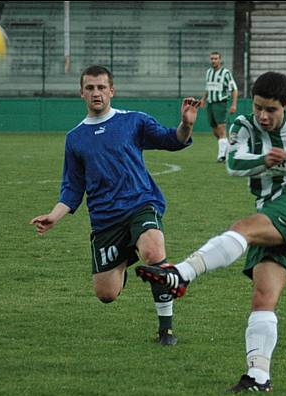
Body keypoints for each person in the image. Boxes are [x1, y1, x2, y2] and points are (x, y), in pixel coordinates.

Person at [137, 71, 286, 389]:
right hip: (271, 213)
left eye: (272, 110)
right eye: (258, 108)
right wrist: (264, 159)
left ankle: (181, 274)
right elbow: (233, 163)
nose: (263, 116)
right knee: (263, 298)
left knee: (243, 229)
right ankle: (258, 377)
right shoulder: (243, 127)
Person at [30, 65, 200, 346]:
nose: (96, 93)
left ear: (112, 91)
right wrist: (54, 216)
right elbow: (72, 188)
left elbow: (172, 140)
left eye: (101, 87)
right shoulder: (75, 138)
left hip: (140, 203)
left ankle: (166, 330)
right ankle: (125, 258)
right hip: (105, 219)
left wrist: (187, 124)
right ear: (81, 93)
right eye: (90, 88)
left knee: (154, 251)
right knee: (106, 294)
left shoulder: (133, 121)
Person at [199, 51, 238, 163]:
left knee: (221, 129)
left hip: (221, 103)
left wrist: (233, 104)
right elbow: (208, 88)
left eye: (216, 58)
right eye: (212, 59)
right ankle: (228, 149)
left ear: (220, 60)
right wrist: (203, 99)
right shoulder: (209, 72)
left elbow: (234, 89)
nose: (213, 61)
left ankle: (222, 156)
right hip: (210, 104)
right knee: (215, 131)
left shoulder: (226, 73)